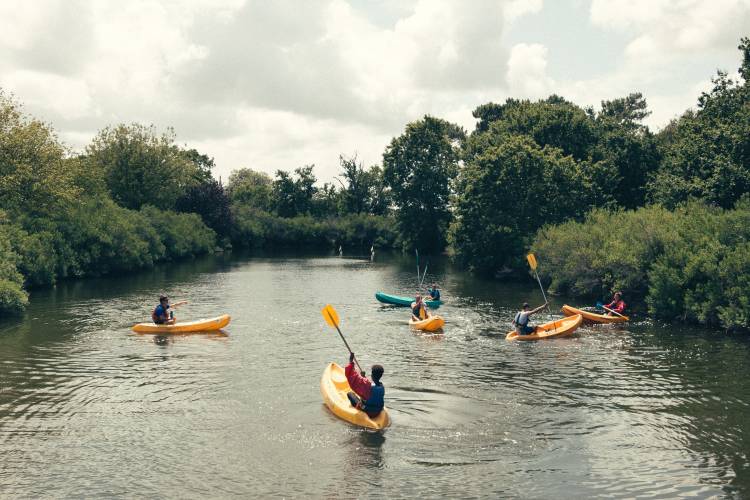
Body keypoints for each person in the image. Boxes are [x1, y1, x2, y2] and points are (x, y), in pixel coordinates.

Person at [345, 352, 385, 418]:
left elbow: (351, 375)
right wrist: (363, 377)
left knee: (350, 394)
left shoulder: (367, 386)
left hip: (367, 409)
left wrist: (351, 361)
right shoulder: (382, 387)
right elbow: (369, 385)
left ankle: (354, 408)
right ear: (380, 376)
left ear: (372, 374)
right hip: (378, 410)